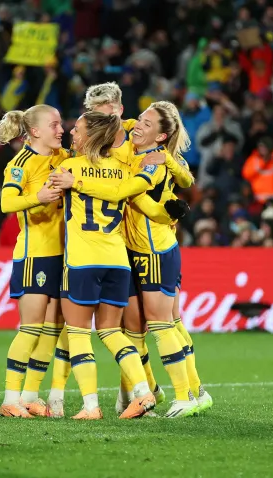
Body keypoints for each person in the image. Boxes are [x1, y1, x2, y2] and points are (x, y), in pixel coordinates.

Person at [49, 111, 175, 420]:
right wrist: (168, 215)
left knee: (78, 332)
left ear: (91, 136)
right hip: (118, 262)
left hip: (82, 260)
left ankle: (91, 406)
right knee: (110, 331)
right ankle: (144, 392)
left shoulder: (69, 168)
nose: (71, 134)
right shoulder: (123, 171)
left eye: (77, 130)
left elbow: (46, 202)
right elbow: (137, 201)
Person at [83, 83, 196, 414]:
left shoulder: (143, 144)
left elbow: (144, 193)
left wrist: (166, 208)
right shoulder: (108, 144)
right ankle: (146, 390)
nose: (98, 121)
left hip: (155, 248)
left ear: (118, 110)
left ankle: (190, 392)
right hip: (125, 249)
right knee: (131, 328)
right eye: (92, 115)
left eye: (104, 113)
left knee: (165, 322)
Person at [132, 101, 213, 415]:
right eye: (140, 118)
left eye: (147, 123)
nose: (138, 125)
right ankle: (196, 391)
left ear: (161, 136)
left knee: (160, 324)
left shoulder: (153, 162)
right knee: (173, 322)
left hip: (151, 249)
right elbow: (186, 179)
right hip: (159, 246)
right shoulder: (151, 155)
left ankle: (184, 396)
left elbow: (136, 195)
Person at [0, 105, 67, 419]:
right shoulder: (21, 162)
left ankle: (30, 396)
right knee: (32, 328)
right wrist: (39, 197)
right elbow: (6, 202)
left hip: (63, 255)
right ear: (35, 131)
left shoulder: (63, 156)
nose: (61, 130)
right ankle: (10, 398)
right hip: (34, 253)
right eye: (55, 124)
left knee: (53, 329)